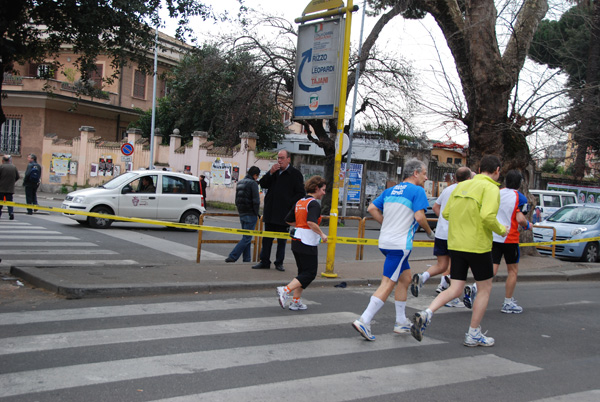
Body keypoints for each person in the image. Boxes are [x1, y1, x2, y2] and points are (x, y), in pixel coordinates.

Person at [411, 155, 507, 347]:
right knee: (484, 289)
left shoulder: (461, 186)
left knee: (455, 288)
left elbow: (446, 213)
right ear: (497, 170)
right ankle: (473, 333)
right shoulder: (491, 188)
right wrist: (502, 230)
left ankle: (427, 313)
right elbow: (488, 216)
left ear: (479, 169)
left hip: (455, 244)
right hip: (478, 245)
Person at [352, 159, 435, 341]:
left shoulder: (390, 190)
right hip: (399, 245)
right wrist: (429, 232)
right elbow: (420, 216)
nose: (426, 177)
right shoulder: (418, 191)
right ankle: (364, 320)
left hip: (386, 242)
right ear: (415, 173)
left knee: (404, 279)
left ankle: (400, 321)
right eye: (424, 173)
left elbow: (372, 208)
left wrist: (386, 223)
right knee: (388, 283)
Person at [410, 166, 472, 308]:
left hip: (441, 233)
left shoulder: (447, 190)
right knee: (455, 267)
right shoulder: (466, 191)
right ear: (469, 178)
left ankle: (423, 276)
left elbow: (436, 208)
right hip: (456, 234)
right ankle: (452, 297)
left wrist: (444, 219)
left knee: (442, 265)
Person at [276, 176, 328, 310]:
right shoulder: (314, 204)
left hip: (296, 240)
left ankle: (295, 301)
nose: (324, 193)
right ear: (316, 188)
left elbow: (288, 220)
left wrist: (300, 224)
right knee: (310, 273)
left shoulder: (300, 202)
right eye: (323, 190)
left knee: (302, 273)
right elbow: (311, 222)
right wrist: (322, 234)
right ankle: (285, 290)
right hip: (307, 241)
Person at [252, 150, 305, 272]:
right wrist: (270, 173)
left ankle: (279, 262)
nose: (279, 160)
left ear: (288, 159)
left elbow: (300, 193)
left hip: (284, 213)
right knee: (267, 239)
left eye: (282, 158)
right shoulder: (274, 172)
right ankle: (264, 261)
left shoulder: (295, 174)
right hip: (270, 211)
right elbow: (263, 184)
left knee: (281, 240)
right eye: (278, 158)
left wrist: (288, 203)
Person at [490, 170, 532, 314]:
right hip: (510, 237)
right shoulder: (520, 198)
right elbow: (520, 219)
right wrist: (528, 225)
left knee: (492, 268)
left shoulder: (497, 192)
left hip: (495, 235)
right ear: (520, 183)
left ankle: (475, 289)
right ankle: (507, 302)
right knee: (513, 271)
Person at [226, 166, 261, 263]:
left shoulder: (240, 182)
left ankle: (247, 259)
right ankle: (233, 256)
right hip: (250, 213)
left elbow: (237, 199)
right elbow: (256, 201)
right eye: (257, 176)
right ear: (255, 175)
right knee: (247, 238)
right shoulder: (253, 184)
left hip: (242, 213)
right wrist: (256, 213)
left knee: (246, 238)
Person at [0, 155, 20, 220]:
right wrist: (12, 182)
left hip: (1, 188)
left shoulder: (1, 167)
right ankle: (11, 213)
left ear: (3, 160)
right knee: (10, 201)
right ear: (9, 160)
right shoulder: (13, 167)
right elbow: (17, 177)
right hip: (10, 188)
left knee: (0, 202)